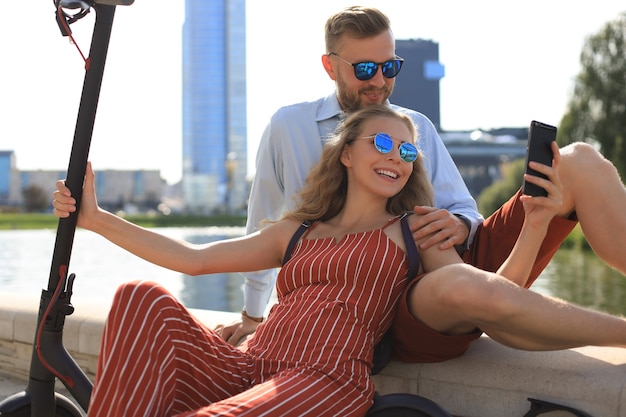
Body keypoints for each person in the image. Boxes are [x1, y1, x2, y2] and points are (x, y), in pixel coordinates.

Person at [53, 106, 626, 416]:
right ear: (347, 153)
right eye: (382, 144)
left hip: (325, 378)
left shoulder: (415, 228)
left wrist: (533, 224)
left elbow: (494, 298)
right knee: (137, 296)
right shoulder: (297, 231)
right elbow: (193, 258)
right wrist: (97, 219)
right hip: (251, 366)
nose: (397, 159)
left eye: (406, 151)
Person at [220, 5, 626, 364]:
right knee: (457, 286)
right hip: (394, 299)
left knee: (577, 161)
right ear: (330, 66)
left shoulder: (417, 127)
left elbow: (467, 211)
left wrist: (461, 225)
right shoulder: (288, 127)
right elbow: (264, 222)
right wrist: (253, 316)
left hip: (451, 258)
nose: (379, 81)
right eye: (364, 69)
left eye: (389, 67)